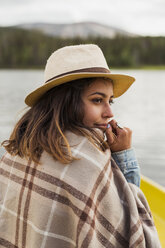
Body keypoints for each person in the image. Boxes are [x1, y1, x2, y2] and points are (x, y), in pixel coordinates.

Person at [0, 44, 161, 248]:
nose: (109, 112)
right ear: (66, 101)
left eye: (110, 101)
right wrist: (125, 157)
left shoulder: (17, 151)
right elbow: (136, 230)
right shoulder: (88, 161)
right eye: (97, 100)